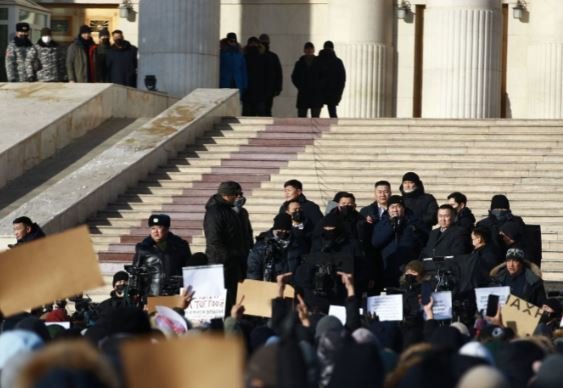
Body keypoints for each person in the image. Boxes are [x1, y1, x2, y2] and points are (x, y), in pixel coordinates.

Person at [204, 181, 253, 313]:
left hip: (240, 260)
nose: (240, 197)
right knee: (225, 299)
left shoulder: (240, 212)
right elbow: (214, 239)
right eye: (237, 194)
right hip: (223, 262)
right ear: (228, 195)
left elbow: (247, 233)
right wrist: (229, 256)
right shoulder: (215, 211)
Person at [372, 195, 426, 287]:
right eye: (392, 207)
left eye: (398, 207)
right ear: (388, 209)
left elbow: (423, 240)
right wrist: (391, 227)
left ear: (403, 208)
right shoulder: (382, 223)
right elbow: (376, 242)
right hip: (388, 267)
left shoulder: (413, 222)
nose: (395, 210)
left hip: (409, 268)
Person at [131, 214, 191, 296]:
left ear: (166, 229)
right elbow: (136, 273)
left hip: (175, 294)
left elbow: (189, 269)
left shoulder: (180, 246)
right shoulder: (143, 248)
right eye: (153, 228)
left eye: (159, 228)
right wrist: (138, 295)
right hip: (153, 294)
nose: (155, 232)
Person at [247, 213, 306, 281]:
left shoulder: (296, 243)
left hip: (289, 283)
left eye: (286, 230)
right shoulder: (262, 243)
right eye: (280, 230)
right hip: (268, 283)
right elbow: (253, 267)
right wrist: (256, 285)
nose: (283, 233)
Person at [476, 194, 526, 258]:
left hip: (512, 256)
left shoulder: (516, 221)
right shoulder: (483, 224)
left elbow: (523, 240)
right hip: (489, 257)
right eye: (497, 208)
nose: (500, 210)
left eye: (503, 208)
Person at [291, 42, 323, 118]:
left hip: (314, 94)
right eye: (307, 49)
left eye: (310, 49)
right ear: (304, 50)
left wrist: (318, 86)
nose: (309, 51)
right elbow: (294, 77)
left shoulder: (319, 63)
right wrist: (301, 86)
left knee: (315, 120)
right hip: (305, 94)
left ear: (313, 50)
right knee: (302, 120)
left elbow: (323, 77)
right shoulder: (299, 63)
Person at [317, 41, 346, 118]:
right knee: (330, 113)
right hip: (327, 91)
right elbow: (342, 80)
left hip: (326, 91)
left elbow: (341, 80)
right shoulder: (337, 62)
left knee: (318, 114)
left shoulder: (318, 61)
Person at [242, 36, 268, 116]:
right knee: (260, 114)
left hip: (249, 90)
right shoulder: (263, 58)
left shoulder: (244, 57)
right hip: (258, 91)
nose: (253, 46)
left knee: (248, 113)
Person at [258, 33, 283, 116]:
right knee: (261, 110)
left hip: (269, 89)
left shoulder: (273, 56)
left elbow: (278, 74)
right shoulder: (256, 56)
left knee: (267, 110)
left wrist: (278, 88)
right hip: (259, 88)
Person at [219, 32, 247, 97]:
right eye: (231, 40)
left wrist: (245, 85)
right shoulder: (222, 53)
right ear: (227, 41)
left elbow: (243, 70)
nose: (232, 42)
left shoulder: (240, 54)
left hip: (237, 82)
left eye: (234, 40)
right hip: (225, 82)